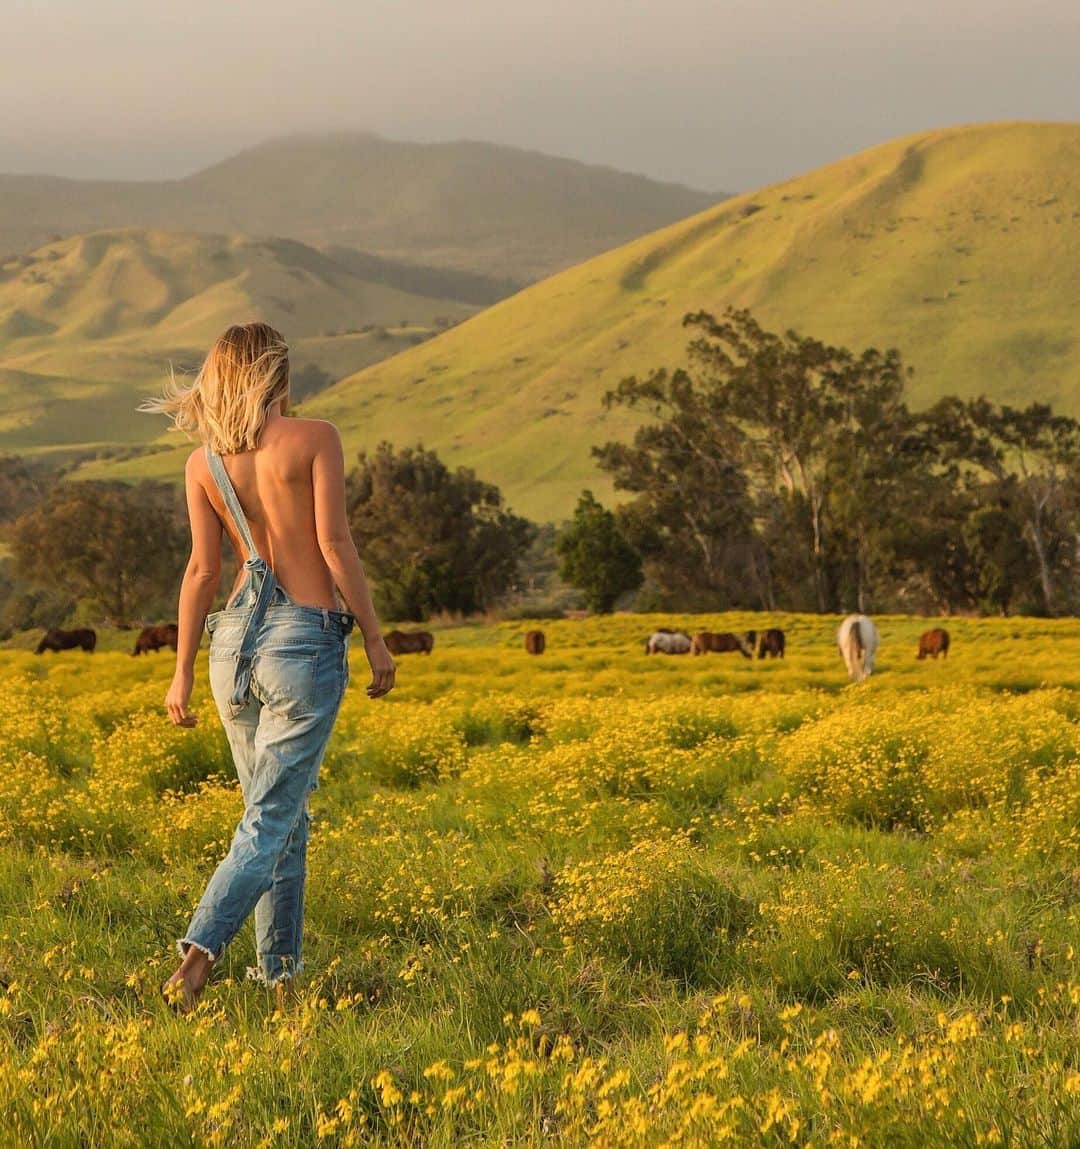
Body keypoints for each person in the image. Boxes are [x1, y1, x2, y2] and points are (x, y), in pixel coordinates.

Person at [141, 321, 396, 1011]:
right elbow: (334, 543)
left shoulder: (204, 462)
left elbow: (200, 571)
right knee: (270, 819)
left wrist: (182, 671)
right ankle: (197, 955)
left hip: (231, 650)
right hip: (302, 644)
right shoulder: (317, 438)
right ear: (276, 371)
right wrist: (374, 636)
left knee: (281, 817)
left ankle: (279, 977)